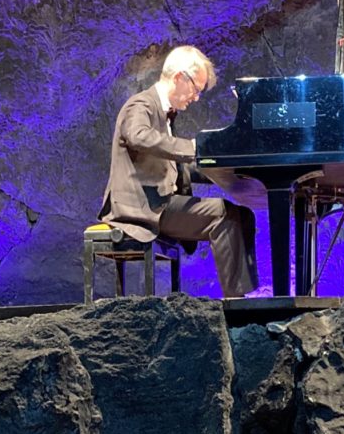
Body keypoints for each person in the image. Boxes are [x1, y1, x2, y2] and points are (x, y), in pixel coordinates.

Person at [98, 45, 258, 297]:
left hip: (159, 204)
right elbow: (139, 136)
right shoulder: (140, 105)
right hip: (140, 208)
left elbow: (177, 164)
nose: (195, 98)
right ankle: (236, 303)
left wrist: (227, 167)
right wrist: (194, 147)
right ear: (179, 78)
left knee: (244, 214)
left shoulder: (165, 115)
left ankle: (247, 297)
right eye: (196, 89)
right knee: (222, 213)